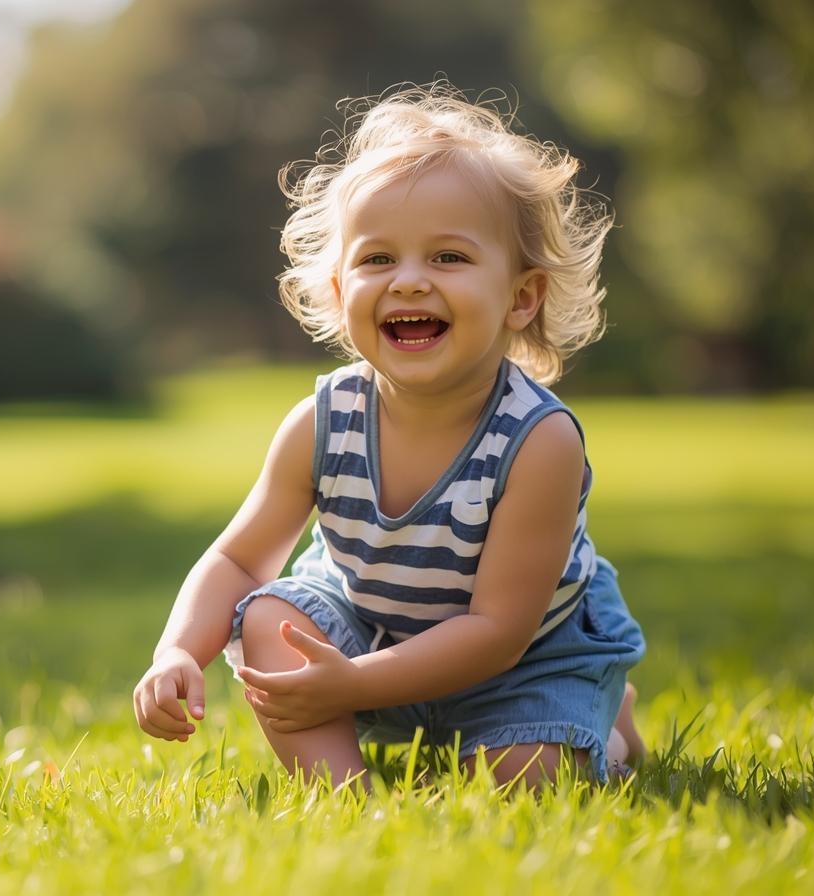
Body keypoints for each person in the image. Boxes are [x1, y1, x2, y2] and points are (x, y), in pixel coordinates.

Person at [132, 84, 646, 790]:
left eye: (448, 258)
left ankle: (606, 727)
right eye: (378, 260)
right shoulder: (323, 421)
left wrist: (352, 686)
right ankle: (348, 797)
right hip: (369, 629)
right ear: (341, 293)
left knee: (520, 780)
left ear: (521, 297)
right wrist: (175, 652)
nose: (408, 282)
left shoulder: (538, 441)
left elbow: (498, 630)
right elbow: (240, 560)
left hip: (524, 657)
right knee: (272, 614)